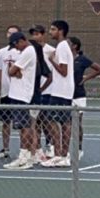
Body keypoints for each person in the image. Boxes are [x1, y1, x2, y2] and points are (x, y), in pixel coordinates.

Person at [40, 20, 75, 168]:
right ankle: (63, 155)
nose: (50, 32)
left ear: (60, 31)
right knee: (64, 122)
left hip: (61, 91)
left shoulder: (61, 46)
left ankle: (60, 154)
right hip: (64, 90)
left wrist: (51, 60)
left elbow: (63, 71)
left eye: (53, 29)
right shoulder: (64, 46)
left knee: (55, 121)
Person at [4, 32, 38, 170]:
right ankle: (26, 155)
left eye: (16, 44)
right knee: (22, 126)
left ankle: (24, 157)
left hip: (22, 95)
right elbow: (11, 71)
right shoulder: (23, 52)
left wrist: (15, 71)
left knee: (24, 127)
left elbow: (12, 71)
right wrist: (15, 71)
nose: (16, 48)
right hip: (18, 94)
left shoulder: (28, 51)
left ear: (22, 40)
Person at [69, 36, 100, 160]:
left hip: (78, 95)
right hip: (65, 94)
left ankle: (78, 148)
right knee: (65, 124)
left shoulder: (82, 59)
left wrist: (85, 78)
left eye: (69, 43)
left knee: (77, 122)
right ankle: (64, 150)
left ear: (75, 46)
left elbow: (99, 69)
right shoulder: (64, 59)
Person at [0, 25, 22, 159]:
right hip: (5, 93)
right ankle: (6, 148)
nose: (11, 35)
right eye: (9, 33)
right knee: (5, 122)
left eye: (14, 33)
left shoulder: (22, 52)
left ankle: (24, 149)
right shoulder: (2, 52)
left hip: (19, 93)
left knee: (22, 123)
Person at [30, 24, 56, 160]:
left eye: (38, 33)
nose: (35, 36)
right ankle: (37, 149)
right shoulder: (29, 50)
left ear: (43, 34)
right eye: (33, 34)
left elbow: (51, 74)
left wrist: (42, 89)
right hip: (33, 91)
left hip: (46, 91)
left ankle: (50, 145)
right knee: (35, 122)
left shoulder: (51, 50)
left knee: (46, 120)